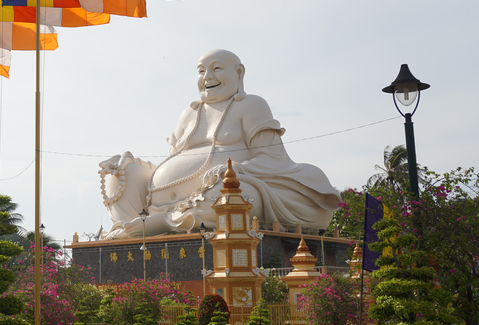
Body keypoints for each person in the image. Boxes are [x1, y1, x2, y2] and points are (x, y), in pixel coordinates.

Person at [99, 49, 341, 239]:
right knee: (121, 172)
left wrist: (234, 170)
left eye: (216, 69)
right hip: (160, 203)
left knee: (234, 196)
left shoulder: (251, 105)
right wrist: (128, 165)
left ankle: (165, 223)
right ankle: (127, 227)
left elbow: (272, 159)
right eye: (201, 71)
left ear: (239, 73)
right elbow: (172, 163)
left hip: (225, 189)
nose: (208, 77)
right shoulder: (189, 113)